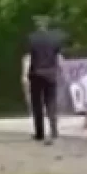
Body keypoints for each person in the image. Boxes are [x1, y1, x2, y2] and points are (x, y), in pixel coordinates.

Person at [25, 15, 65, 144]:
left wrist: (24, 74)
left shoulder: (31, 39)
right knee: (51, 103)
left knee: (37, 104)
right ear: (47, 25)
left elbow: (28, 57)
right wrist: (62, 71)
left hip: (36, 73)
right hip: (51, 73)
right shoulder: (54, 39)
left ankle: (40, 133)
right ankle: (54, 131)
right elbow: (58, 57)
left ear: (37, 25)